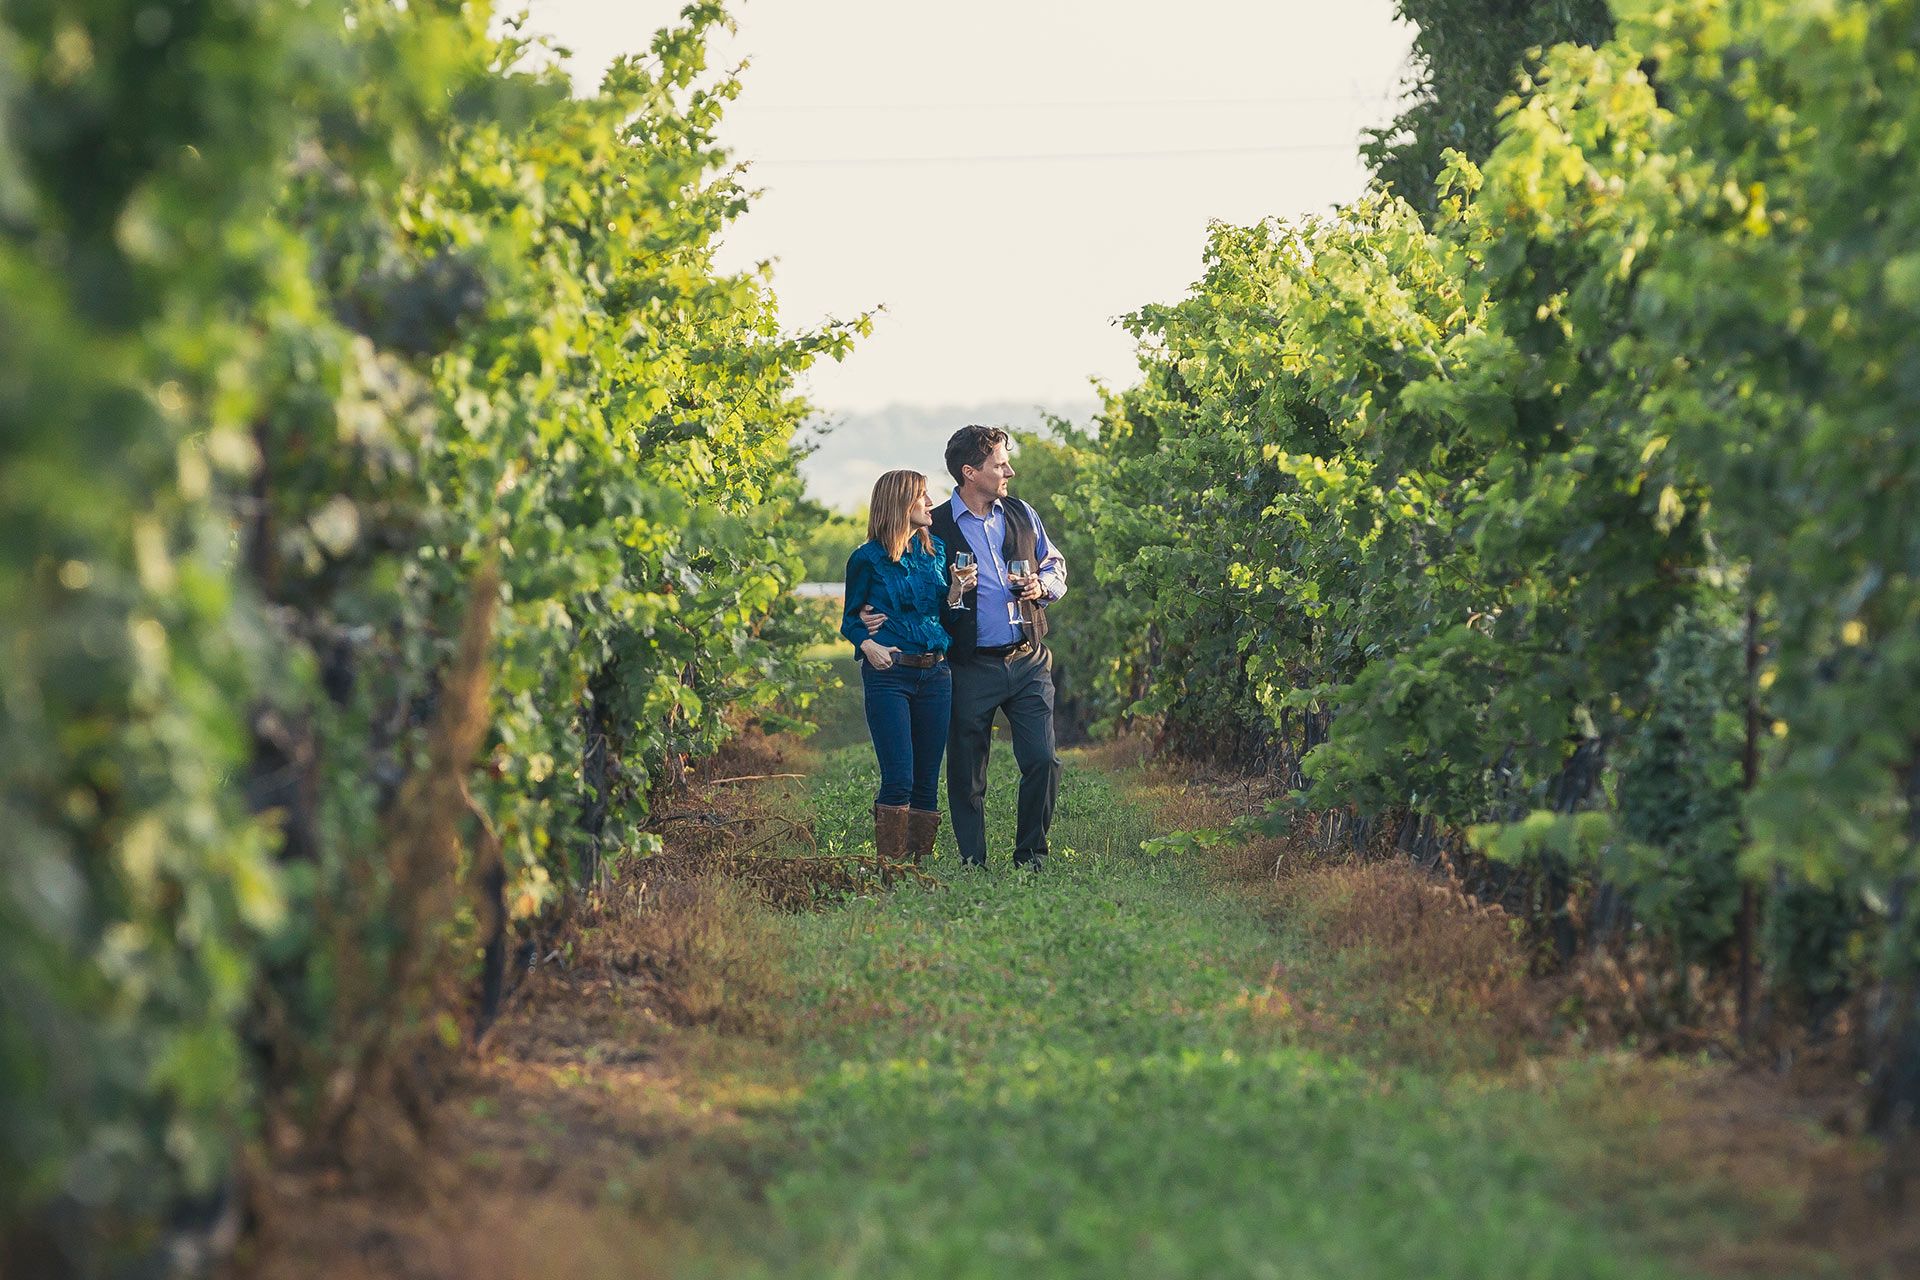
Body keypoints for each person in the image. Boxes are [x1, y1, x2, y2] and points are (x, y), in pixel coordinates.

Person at [861, 426, 1067, 870]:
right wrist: (867, 614)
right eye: (999, 464)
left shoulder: (1021, 512)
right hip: (969, 663)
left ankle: (1031, 855)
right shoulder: (932, 527)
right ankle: (974, 860)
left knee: (1043, 760)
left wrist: (1042, 585)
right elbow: (898, 577)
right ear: (970, 472)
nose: (1009, 470)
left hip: (1028, 656)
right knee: (967, 773)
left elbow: (1054, 563)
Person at [839, 470, 975, 862]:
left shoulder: (937, 552)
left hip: (936, 674)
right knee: (899, 777)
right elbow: (850, 618)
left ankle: (918, 869)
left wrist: (955, 592)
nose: (931, 503)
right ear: (901, 504)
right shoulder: (866, 559)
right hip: (890, 676)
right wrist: (867, 644)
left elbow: (945, 619)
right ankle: (890, 868)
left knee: (927, 781)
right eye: (922, 496)